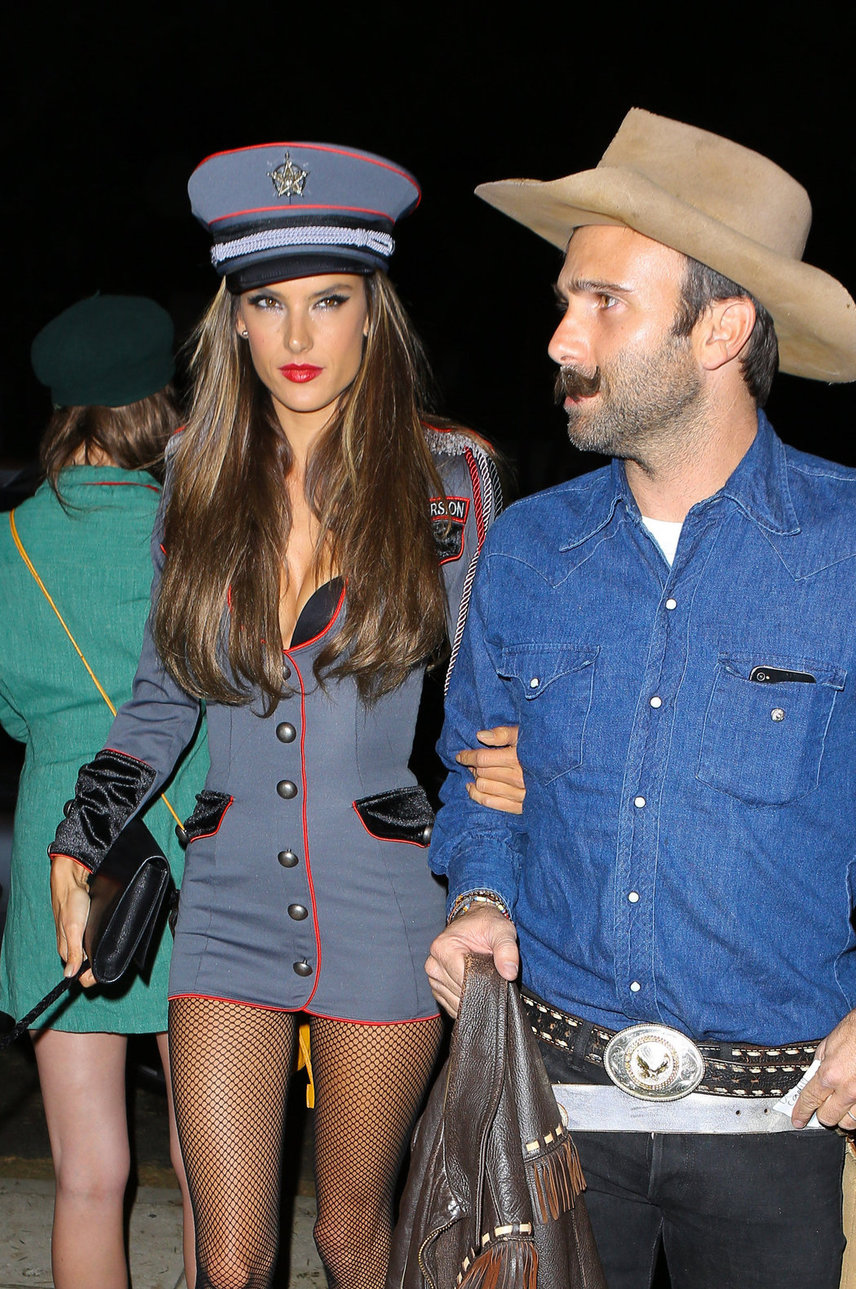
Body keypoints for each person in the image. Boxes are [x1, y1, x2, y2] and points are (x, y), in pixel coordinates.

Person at [425, 109, 856, 1289]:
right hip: (549, 1107)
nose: (561, 339)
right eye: (564, 299)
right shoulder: (529, 548)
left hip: (776, 1122)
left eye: (604, 303)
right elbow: (481, 770)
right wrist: (478, 892)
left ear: (719, 328)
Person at [48, 142, 519, 1289]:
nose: (299, 336)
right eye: (269, 304)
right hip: (225, 910)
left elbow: (493, 690)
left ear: (372, 317)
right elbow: (164, 690)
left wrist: (511, 781)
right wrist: (83, 832)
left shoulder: (449, 477)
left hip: (385, 910)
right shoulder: (196, 485)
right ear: (235, 323)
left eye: (328, 302)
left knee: (354, 1237)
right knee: (230, 1257)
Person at [0, 294, 208, 1289]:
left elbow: (7, 711)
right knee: (214, 1163)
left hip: (65, 851)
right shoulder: (199, 534)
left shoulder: (8, 545)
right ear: (159, 410)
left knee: (88, 1173)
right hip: (196, 843)